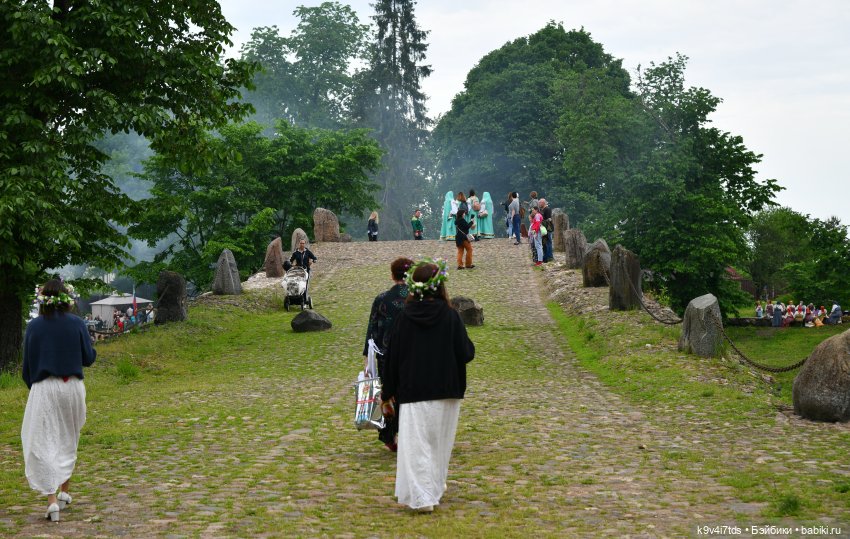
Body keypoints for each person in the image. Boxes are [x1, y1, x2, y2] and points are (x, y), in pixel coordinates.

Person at [383, 259, 475, 513]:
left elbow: (392, 358)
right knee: (439, 444)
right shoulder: (451, 317)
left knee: (417, 444)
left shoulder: (404, 319)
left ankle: (423, 495)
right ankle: (432, 488)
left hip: (414, 390)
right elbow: (466, 353)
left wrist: (387, 392)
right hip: (447, 390)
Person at [21, 279, 96, 522]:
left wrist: (35, 386)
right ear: (67, 298)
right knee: (68, 436)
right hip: (72, 386)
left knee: (44, 440)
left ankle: (52, 500)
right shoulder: (77, 323)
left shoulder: (34, 326)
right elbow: (88, 358)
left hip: (45, 386)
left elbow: (27, 368)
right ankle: (65, 492)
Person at [363, 257, 414, 452]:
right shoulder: (417, 297)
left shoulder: (382, 299)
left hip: (386, 354)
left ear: (392, 275)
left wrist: (367, 358)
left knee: (389, 394)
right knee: (409, 393)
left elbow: (372, 329)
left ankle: (389, 435)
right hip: (412, 354)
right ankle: (410, 432)